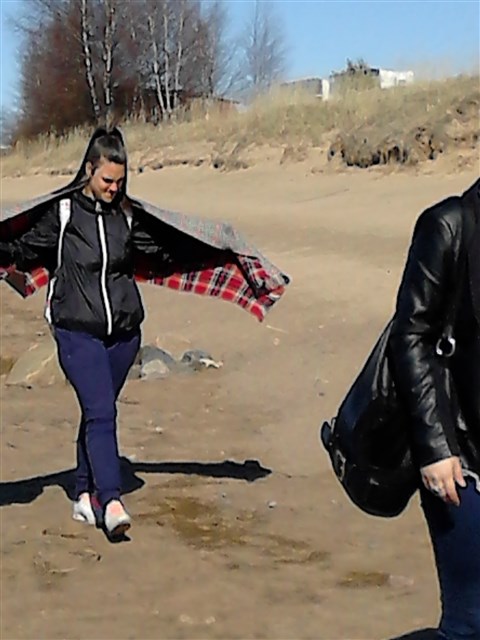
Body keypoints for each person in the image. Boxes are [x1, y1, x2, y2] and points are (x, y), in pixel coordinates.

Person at [0, 128, 289, 538]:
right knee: (102, 412)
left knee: (96, 412)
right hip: (75, 332)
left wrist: (220, 247)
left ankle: (83, 493)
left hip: (124, 336)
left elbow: (166, 250)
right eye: (107, 180)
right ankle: (111, 500)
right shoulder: (61, 214)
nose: (113, 188)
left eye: (120, 181)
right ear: (89, 170)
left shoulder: (127, 215)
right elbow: (21, 248)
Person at [390, 177, 480, 639]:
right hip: (461, 456)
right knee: (470, 620)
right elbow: (410, 337)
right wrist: (435, 447)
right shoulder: (449, 224)